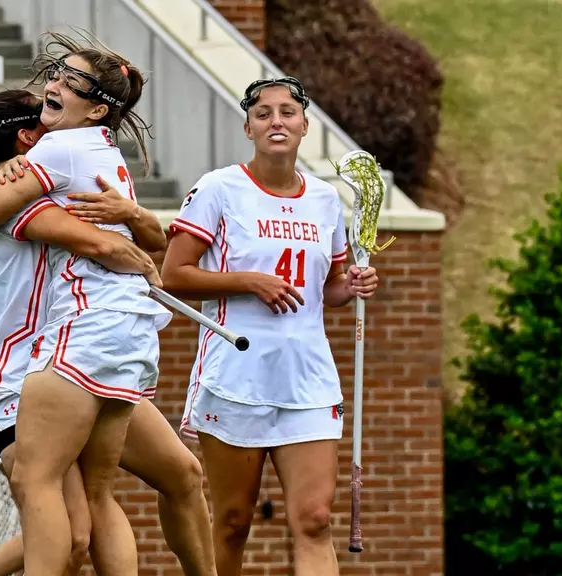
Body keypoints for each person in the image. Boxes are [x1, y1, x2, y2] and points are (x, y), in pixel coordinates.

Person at [0, 91, 217, 576]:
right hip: (16, 376)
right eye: (46, 116)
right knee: (74, 533)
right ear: (26, 140)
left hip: (77, 352)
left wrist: (136, 216)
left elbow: (149, 239)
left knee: (181, 474)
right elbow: (109, 247)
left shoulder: (45, 181)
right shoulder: (20, 202)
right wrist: (141, 259)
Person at [159, 76, 380, 576]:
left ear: (304, 126)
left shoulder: (325, 200)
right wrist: (248, 282)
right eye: (263, 114)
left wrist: (356, 285)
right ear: (248, 127)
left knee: (316, 519)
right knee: (234, 520)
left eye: (287, 112)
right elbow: (173, 276)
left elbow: (329, 292)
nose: (276, 121)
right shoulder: (218, 188)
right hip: (236, 377)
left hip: (308, 381)